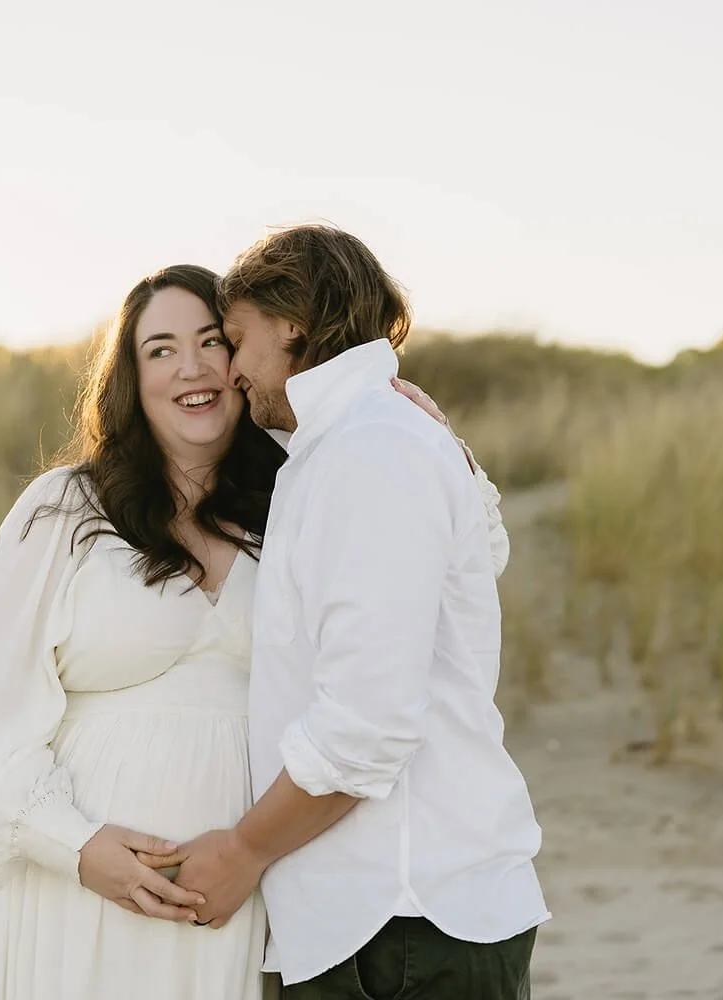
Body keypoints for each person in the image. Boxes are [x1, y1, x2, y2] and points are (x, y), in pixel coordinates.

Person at [0, 262, 510, 1000]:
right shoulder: (64, 510)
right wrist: (75, 847)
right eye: (161, 349)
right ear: (130, 378)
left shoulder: (298, 495)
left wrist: (442, 450)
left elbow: (461, 567)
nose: (193, 367)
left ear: (246, 362)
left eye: (214, 341)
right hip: (78, 889)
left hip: (239, 892)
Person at [160, 227, 550, 999]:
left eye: (236, 341)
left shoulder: (370, 448)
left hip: (404, 924)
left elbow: (369, 726)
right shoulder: (358, 442)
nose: (231, 371)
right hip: (385, 923)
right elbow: (468, 567)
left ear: (292, 322)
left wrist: (243, 849)